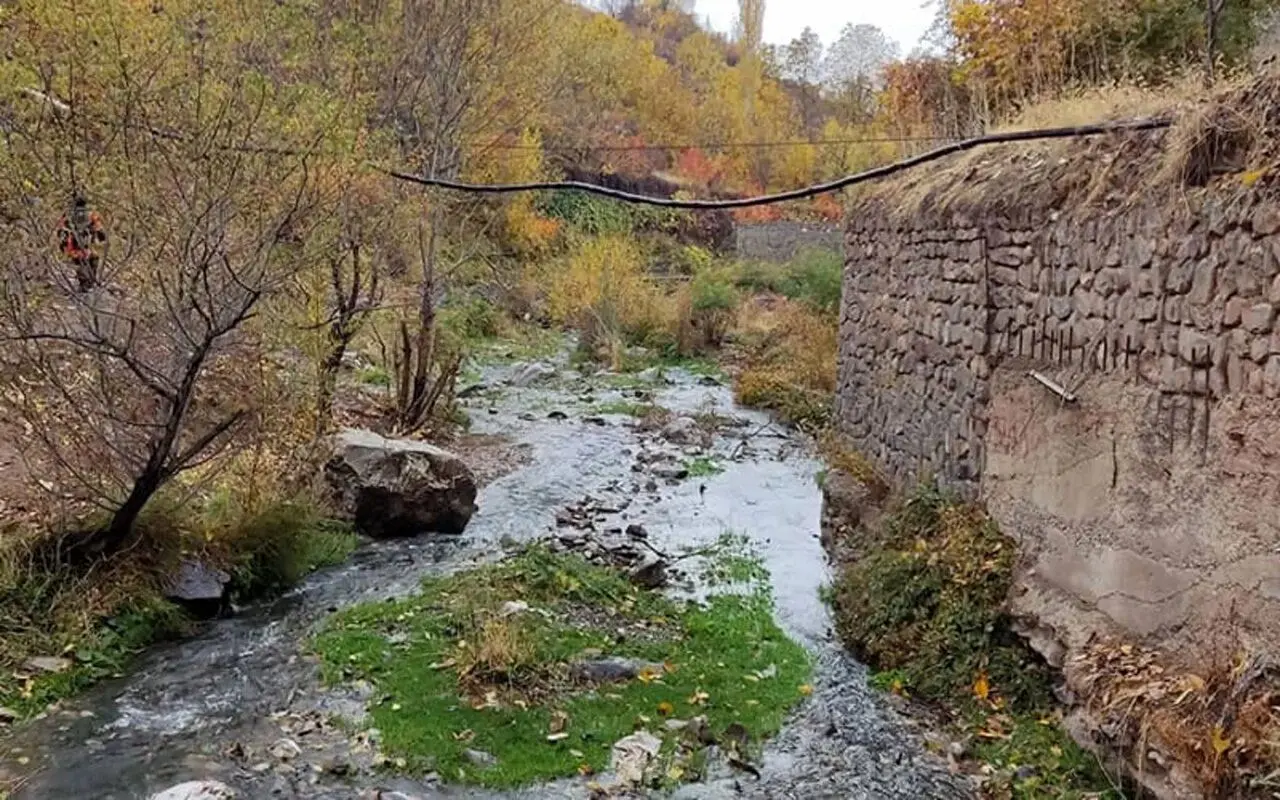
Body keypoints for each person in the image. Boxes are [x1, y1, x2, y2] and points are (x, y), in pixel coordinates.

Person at [56, 195, 106, 291]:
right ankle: (90, 282)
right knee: (93, 260)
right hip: (88, 245)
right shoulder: (91, 214)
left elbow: (61, 231)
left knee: (80, 263)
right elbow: (100, 230)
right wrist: (101, 237)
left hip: (73, 247)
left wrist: (63, 245)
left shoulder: (68, 215)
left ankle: (84, 283)